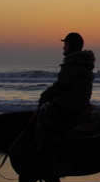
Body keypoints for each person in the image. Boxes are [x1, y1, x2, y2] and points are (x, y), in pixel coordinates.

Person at [37, 32, 95, 172]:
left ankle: (63, 161)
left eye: (66, 45)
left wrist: (44, 96)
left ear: (73, 46)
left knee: (51, 131)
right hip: (79, 102)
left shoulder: (72, 65)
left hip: (71, 105)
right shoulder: (81, 64)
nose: (64, 48)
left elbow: (61, 86)